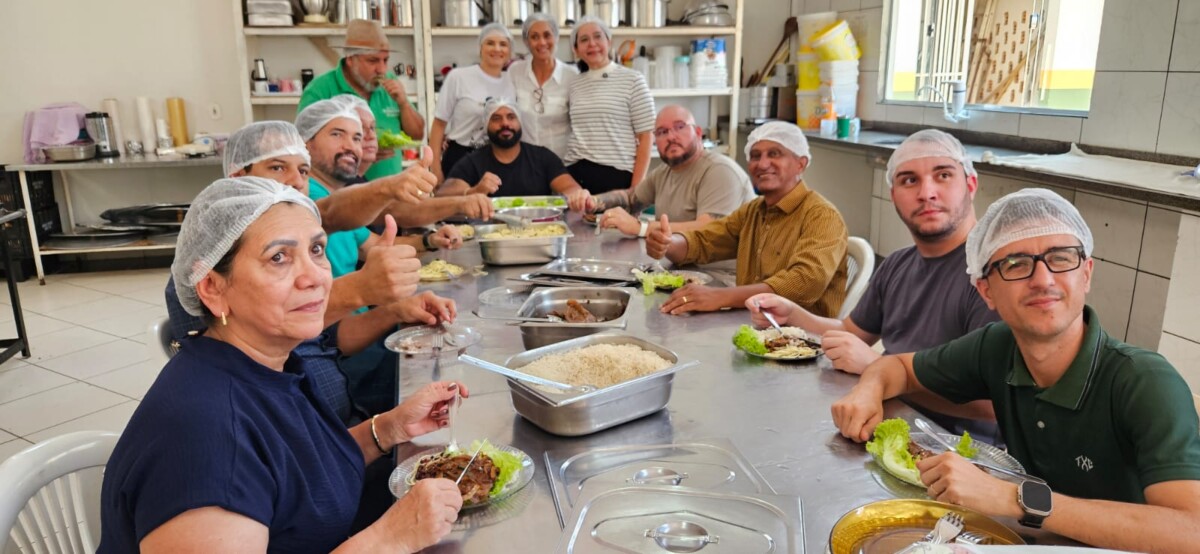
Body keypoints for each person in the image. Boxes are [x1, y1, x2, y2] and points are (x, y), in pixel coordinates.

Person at [101, 177, 465, 553]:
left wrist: (388, 429)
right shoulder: (206, 443)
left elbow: (299, 470)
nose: (316, 278)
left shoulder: (268, 365)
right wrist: (390, 538)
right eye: (279, 257)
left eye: (317, 250)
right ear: (212, 289)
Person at [832, 188, 1200, 552]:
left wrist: (1017, 499)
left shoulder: (1144, 382)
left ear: (1086, 274)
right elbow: (897, 366)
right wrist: (867, 391)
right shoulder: (997, 346)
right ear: (986, 291)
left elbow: (1191, 530)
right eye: (1015, 264)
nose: (1042, 279)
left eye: (1060, 258)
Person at [167, 120, 457, 425]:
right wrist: (361, 288)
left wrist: (394, 311)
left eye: (303, 171)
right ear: (238, 178)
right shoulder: (208, 270)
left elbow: (331, 338)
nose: (295, 182)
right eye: (277, 168)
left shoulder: (299, 243)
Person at [747, 129, 1001, 443]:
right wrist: (794, 317)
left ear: (971, 185)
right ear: (894, 195)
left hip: (957, 450)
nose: (926, 193)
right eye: (909, 180)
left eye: (943, 176)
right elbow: (850, 334)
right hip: (888, 423)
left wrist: (881, 371)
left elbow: (994, 406)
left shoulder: (993, 276)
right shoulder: (897, 265)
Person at [645, 121, 848, 316]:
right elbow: (705, 241)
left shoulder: (822, 216)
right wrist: (668, 243)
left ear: (800, 164)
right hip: (752, 323)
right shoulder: (753, 211)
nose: (763, 163)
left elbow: (804, 283)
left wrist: (721, 297)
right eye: (755, 156)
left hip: (804, 341)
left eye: (774, 154)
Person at [595, 105, 755, 237]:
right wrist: (592, 201)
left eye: (679, 127)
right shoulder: (663, 173)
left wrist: (641, 228)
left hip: (719, 272)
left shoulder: (720, 171)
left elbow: (709, 229)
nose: (671, 137)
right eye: (662, 132)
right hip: (678, 268)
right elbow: (631, 199)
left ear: (698, 133)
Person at [298, 19, 425, 180]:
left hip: (392, 190)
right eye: (373, 61)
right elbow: (302, 146)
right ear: (351, 59)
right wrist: (357, 151)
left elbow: (417, 135)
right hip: (341, 193)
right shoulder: (320, 90)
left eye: (385, 60)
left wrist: (403, 103)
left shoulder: (391, 83)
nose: (382, 69)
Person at [436, 98, 591, 212]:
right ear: (486, 126)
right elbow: (442, 197)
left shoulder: (542, 157)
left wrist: (577, 196)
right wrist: (475, 191)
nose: (505, 124)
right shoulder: (473, 161)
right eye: (496, 119)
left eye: (511, 117)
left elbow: (570, 187)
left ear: (520, 123)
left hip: (538, 231)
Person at [562, 15, 655, 195]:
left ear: (609, 41)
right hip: (575, 176)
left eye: (598, 37)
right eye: (584, 40)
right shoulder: (574, 84)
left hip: (616, 176)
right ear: (576, 49)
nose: (592, 44)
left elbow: (646, 137)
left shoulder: (633, 79)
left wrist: (635, 191)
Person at [429, 22, 516, 182]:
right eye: (490, 43)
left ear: (509, 52)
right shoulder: (459, 77)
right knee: (458, 205)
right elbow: (439, 125)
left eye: (503, 44)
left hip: (497, 158)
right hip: (460, 157)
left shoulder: (512, 81)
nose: (497, 49)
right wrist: (435, 167)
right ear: (480, 48)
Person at [507, 12, 578, 160]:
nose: (542, 42)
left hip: (562, 163)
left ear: (556, 37)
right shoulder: (515, 71)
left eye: (547, 35)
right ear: (527, 42)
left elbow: (581, 123)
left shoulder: (572, 76)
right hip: (524, 161)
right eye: (534, 37)